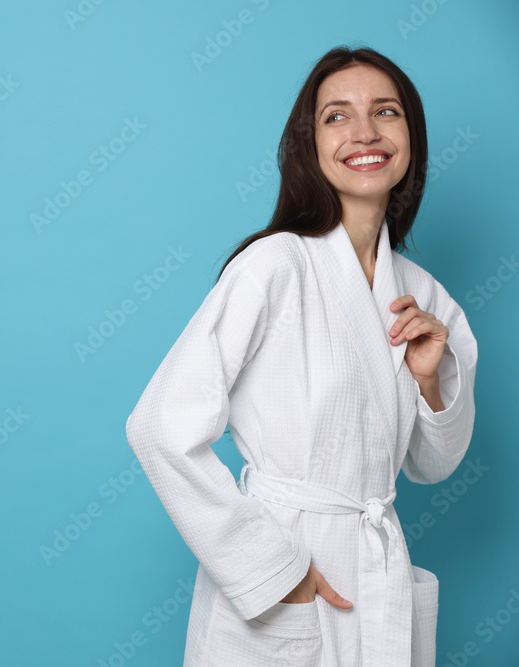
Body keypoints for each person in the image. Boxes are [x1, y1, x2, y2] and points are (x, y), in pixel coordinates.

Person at [125, 46, 477, 667]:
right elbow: (159, 426)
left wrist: (428, 382)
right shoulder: (274, 265)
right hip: (289, 560)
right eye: (337, 116)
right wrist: (272, 571)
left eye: (386, 112)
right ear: (309, 146)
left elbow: (433, 466)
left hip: (375, 561)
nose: (365, 133)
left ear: (412, 138)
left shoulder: (424, 296)